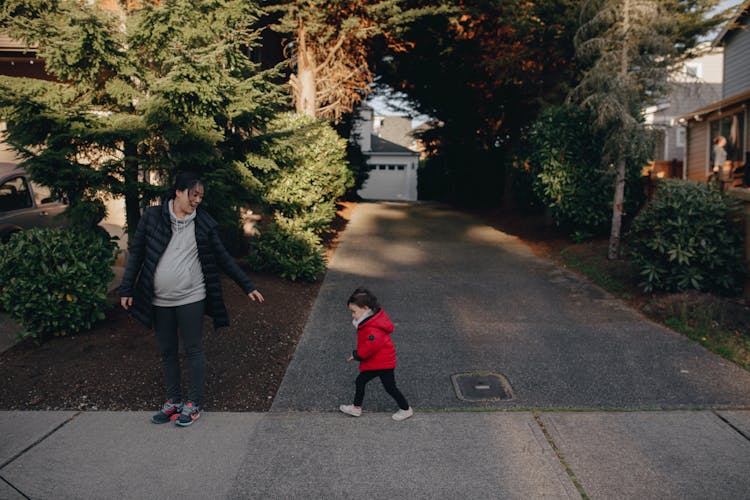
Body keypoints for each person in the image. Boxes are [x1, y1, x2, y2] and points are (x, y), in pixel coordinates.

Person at [119, 172, 264, 427]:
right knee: (167, 351)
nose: (197, 200)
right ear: (178, 191)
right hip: (159, 300)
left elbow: (223, 258)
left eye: (200, 196)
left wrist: (247, 285)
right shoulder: (153, 217)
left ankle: (193, 403)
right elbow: (138, 254)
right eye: (193, 194)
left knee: (193, 349)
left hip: (191, 297)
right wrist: (126, 289)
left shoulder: (203, 223)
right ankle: (173, 401)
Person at [339, 287, 413, 421]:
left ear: (365, 308)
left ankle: (406, 409)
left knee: (390, 387)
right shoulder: (370, 322)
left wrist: (356, 355)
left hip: (384, 363)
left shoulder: (372, 328)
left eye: (353, 311)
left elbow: (369, 347)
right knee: (360, 381)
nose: (352, 315)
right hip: (376, 362)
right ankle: (356, 408)